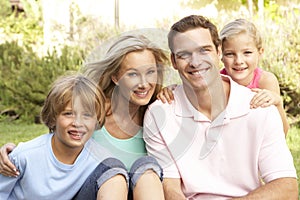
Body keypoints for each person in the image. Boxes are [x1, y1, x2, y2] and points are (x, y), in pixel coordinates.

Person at [143, 15, 298, 199]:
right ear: (174, 61)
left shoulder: (261, 109)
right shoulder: (159, 113)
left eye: (204, 50)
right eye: (184, 54)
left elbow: (287, 187)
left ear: (218, 52)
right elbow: (170, 188)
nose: (195, 61)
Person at [0, 34, 168, 200]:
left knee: (146, 166)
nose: (144, 83)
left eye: (150, 72)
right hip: (99, 193)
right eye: (133, 74)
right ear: (115, 77)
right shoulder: (92, 109)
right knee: (112, 167)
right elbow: (55, 139)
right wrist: (14, 153)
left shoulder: (159, 111)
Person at [0, 73, 129, 200]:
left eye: (87, 115)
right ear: (53, 117)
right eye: (68, 114)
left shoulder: (100, 161)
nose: (78, 123)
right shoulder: (23, 157)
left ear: (97, 120)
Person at [157, 18, 289, 135]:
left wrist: (277, 104)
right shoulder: (216, 78)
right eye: (230, 54)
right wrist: (173, 90)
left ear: (260, 53)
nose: (238, 61)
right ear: (220, 54)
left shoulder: (265, 81)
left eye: (247, 53)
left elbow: (281, 132)